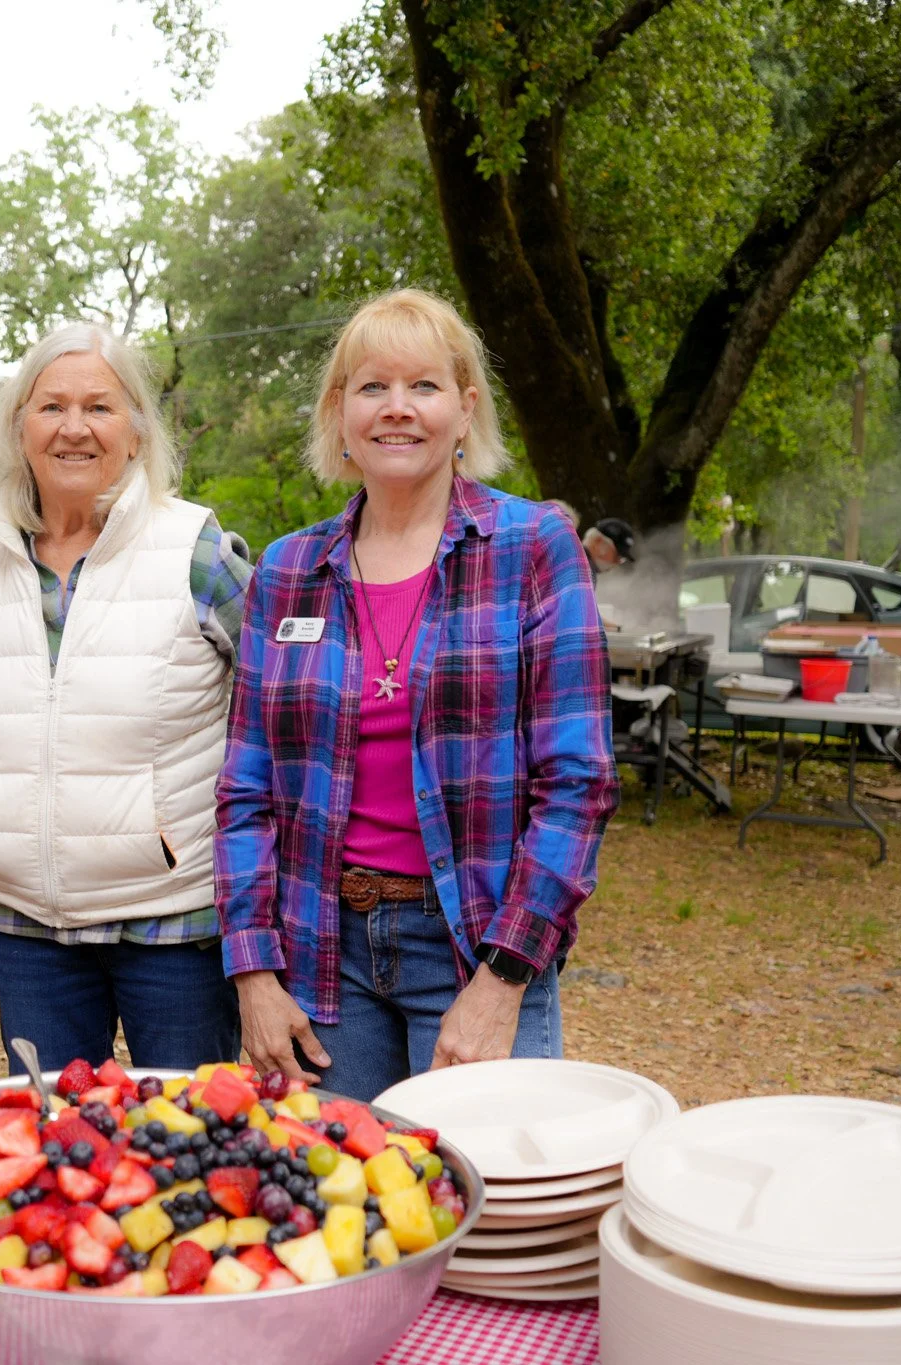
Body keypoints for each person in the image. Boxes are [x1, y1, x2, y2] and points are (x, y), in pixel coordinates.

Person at [215, 288, 618, 1103]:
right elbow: (244, 791)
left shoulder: (535, 548)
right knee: (340, 1211)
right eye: (372, 387)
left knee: (488, 1212)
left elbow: (579, 783)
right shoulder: (289, 571)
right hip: (320, 957)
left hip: (476, 943)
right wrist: (254, 971)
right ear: (340, 413)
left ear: (465, 411)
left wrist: (504, 978)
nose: (397, 410)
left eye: (425, 387)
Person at [0, 322, 251, 1073]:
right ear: (19, 428)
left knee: (185, 1152)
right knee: (55, 1156)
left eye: (100, 408)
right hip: (29, 929)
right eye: (51, 407)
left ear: (138, 432)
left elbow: (275, 720)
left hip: (173, 925)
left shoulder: (200, 553)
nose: (74, 428)